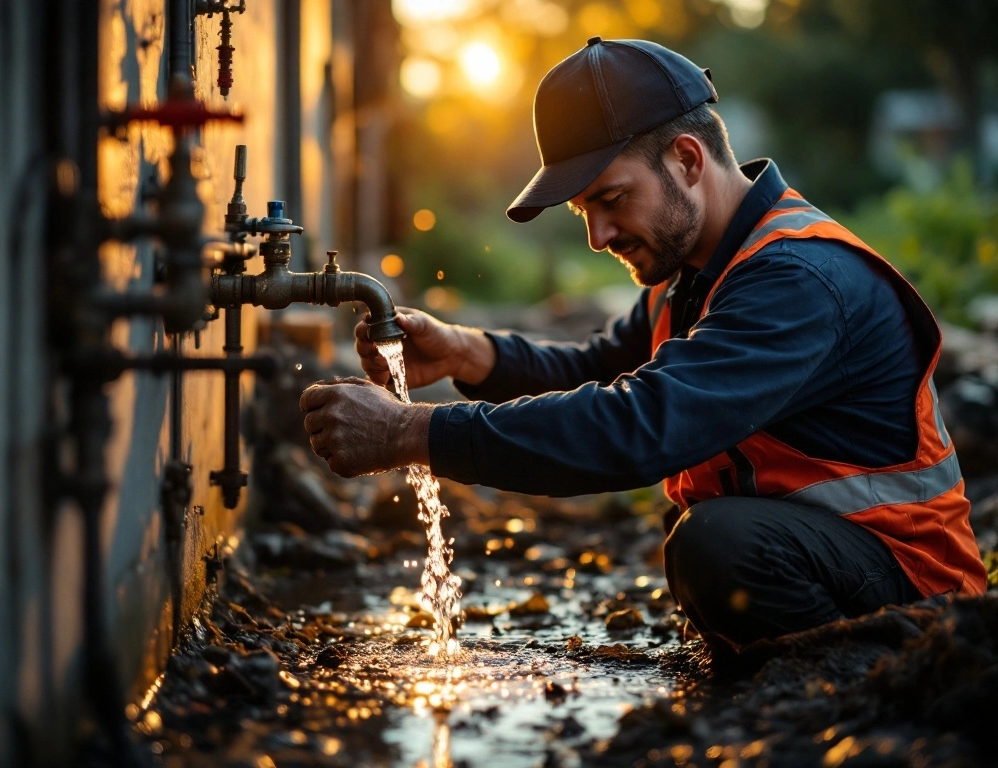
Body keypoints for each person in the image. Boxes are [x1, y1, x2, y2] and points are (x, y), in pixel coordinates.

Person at [300, 37, 986, 655]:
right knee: (718, 541)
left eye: (612, 199)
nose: (598, 236)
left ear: (687, 160)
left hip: (915, 592)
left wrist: (411, 433)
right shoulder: (697, 271)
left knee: (718, 546)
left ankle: (849, 681)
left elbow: (640, 425)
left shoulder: (797, 280)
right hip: (824, 556)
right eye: (584, 215)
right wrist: (469, 354)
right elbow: (603, 369)